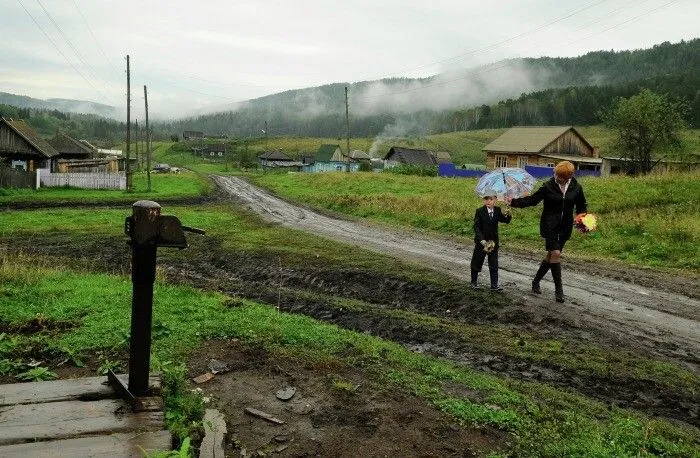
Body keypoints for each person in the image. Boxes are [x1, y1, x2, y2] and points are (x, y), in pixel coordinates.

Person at [508, 161, 587, 303]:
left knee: (551, 255)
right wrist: (513, 202)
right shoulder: (548, 186)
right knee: (556, 254)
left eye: (560, 176)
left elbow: (581, 206)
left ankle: (536, 281)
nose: (557, 177)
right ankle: (559, 290)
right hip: (549, 226)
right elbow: (532, 200)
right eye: (556, 174)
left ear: (568, 177)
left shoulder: (576, 188)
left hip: (565, 227)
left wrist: (583, 221)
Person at [470, 194, 511, 291]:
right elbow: (476, 227)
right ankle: (473, 282)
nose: (488, 201)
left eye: (491, 199)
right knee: (477, 261)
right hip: (482, 242)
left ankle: (494, 285)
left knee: (493, 263)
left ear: (495, 200)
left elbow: (506, 220)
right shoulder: (479, 211)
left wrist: (508, 209)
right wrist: (481, 240)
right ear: (484, 200)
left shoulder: (497, 210)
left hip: (493, 242)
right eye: (486, 199)